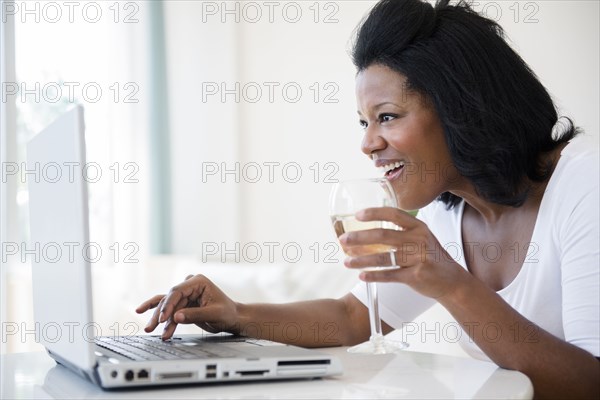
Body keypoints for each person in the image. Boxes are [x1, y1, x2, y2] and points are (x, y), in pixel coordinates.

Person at [136, 0, 599, 397]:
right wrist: (236, 313)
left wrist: (453, 285)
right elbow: (350, 317)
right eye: (364, 122)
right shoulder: (447, 211)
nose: (368, 144)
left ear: (462, 110)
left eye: (388, 116)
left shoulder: (584, 188)